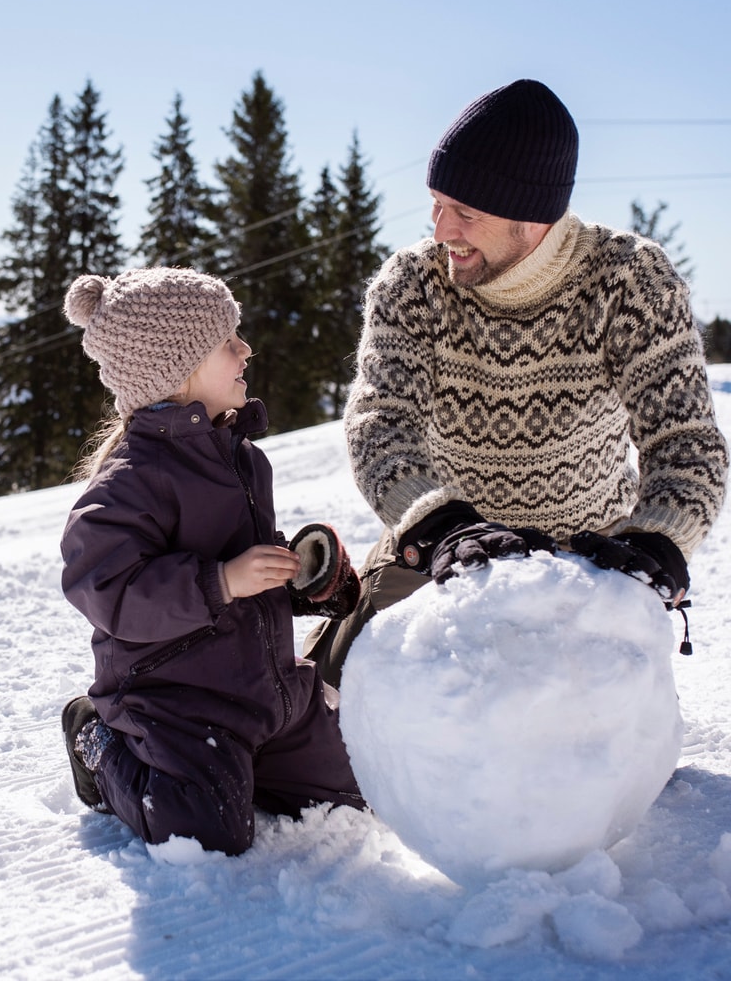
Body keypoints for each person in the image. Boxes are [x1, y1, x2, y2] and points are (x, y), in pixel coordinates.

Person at [305, 78, 729, 689]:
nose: (440, 229)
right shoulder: (415, 283)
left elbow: (685, 442)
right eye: (436, 202)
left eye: (465, 213)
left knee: (561, 754)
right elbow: (380, 426)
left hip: (590, 563)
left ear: (533, 219)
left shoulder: (630, 282)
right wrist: (439, 525)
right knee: (325, 727)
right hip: (441, 550)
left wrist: (657, 540)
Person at [59, 266, 364, 855]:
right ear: (180, 369)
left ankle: (253, 765)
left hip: (267, 691)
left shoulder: (244, 459)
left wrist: (297, 581)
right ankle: (98, 746)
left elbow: (249, 578)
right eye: (229, 342)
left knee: (362, 783)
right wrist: (222, 579)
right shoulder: (131, 481)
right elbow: (104, 587)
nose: (245, 349)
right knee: (205, 829)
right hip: (180, 703)